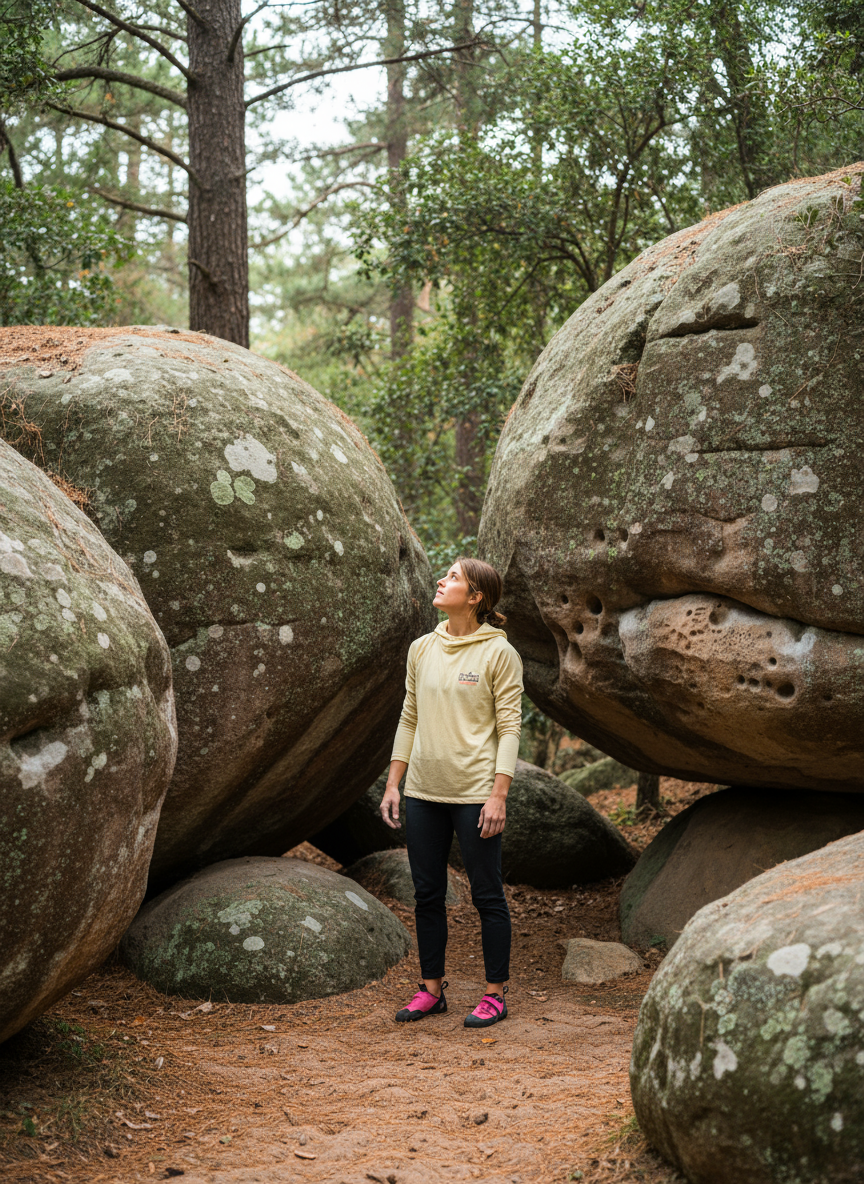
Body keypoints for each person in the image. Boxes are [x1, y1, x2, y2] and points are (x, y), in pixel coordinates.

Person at [380, 557, 523, 1029]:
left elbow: (509, 728)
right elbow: (409, 717)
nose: (442, 582)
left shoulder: (499, 654)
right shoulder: (422, 648)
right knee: (427, 894)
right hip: (423, 791)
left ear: (476, 596)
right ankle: (431, 990)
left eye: (454, 577)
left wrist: (499, 794)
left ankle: (494, 993)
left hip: (475, 793)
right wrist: (394, 783)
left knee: (486, 894)